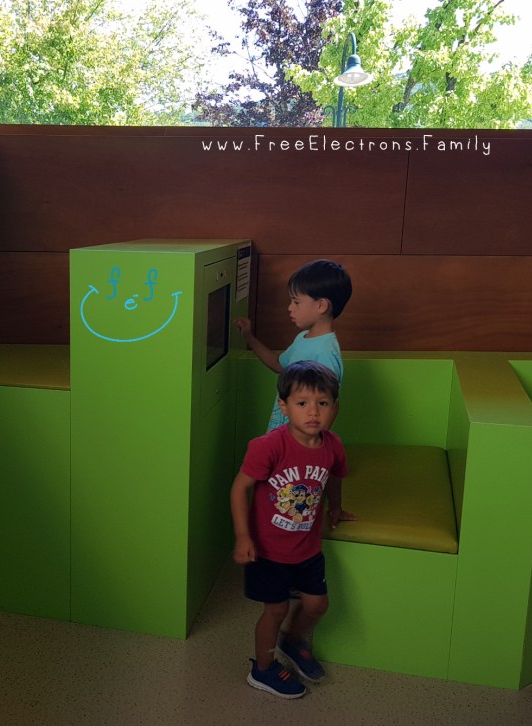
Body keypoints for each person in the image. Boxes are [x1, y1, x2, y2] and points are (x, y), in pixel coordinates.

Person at [229, 361, 349, 699]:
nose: (313, 412)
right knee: (276, 609)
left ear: (334, 408)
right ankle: (263, 669)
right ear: (284, 407)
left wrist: (336, 507)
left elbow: (335, 477)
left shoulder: (332, 445)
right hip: (268, 550)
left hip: (307, 549)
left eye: (322, 404)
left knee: (316, 605)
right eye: (302, 403)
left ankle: (293, 641)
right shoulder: (268, 445)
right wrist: (242, 536)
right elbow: (240, 488)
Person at [235, 258, 352, 432]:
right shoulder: (303, 338)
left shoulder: (325, 353)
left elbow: (331, 406)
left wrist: (312, 445)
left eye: (296, 302)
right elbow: (277, 364)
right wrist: (250, 338)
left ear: (321, 306)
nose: (290, 308)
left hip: (299, 444)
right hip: (282, 437)